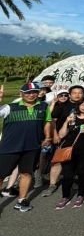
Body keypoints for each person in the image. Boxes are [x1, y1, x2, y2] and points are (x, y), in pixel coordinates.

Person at [0, 83, 52, 212]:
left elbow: (47, 122)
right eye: (27, 92)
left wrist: (48, 137)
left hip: (32, 147)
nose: (31, 94)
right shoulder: (9, 107)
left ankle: (21, 200)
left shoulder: (44, 106)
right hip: (9, 148)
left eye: (34, 92)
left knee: (26, 173)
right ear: (21, 93)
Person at [55, 96, 84, 209]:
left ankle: (81, 194)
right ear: (78, 106)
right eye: (82, 105)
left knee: (82, 172)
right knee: (67, 174)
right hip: (69, 149)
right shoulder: (72, 117)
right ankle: (65, 196)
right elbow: (61, 135)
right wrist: (66, 122)